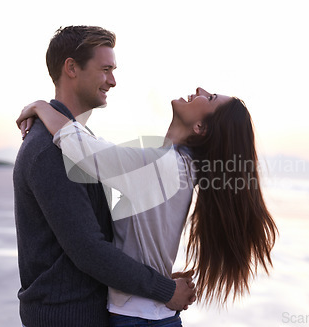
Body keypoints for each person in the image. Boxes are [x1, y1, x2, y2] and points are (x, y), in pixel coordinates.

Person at [17, 86, 278, 326]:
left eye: (209, 98)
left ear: (200, 127)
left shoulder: (163, 166)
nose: (200, 90)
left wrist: (41, 106)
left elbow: (82, 149)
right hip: (149, 314)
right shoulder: (178, 167)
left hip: (140, 318)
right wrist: (164, 282)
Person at [13, 25, 194, 327]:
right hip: (65, 316)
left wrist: (150, 277)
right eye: (105, 69)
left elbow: (98, 234)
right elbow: (89, 249)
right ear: (71, 67)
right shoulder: (52, 149)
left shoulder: (77, 141)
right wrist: (165, 290)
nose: (112, 81)